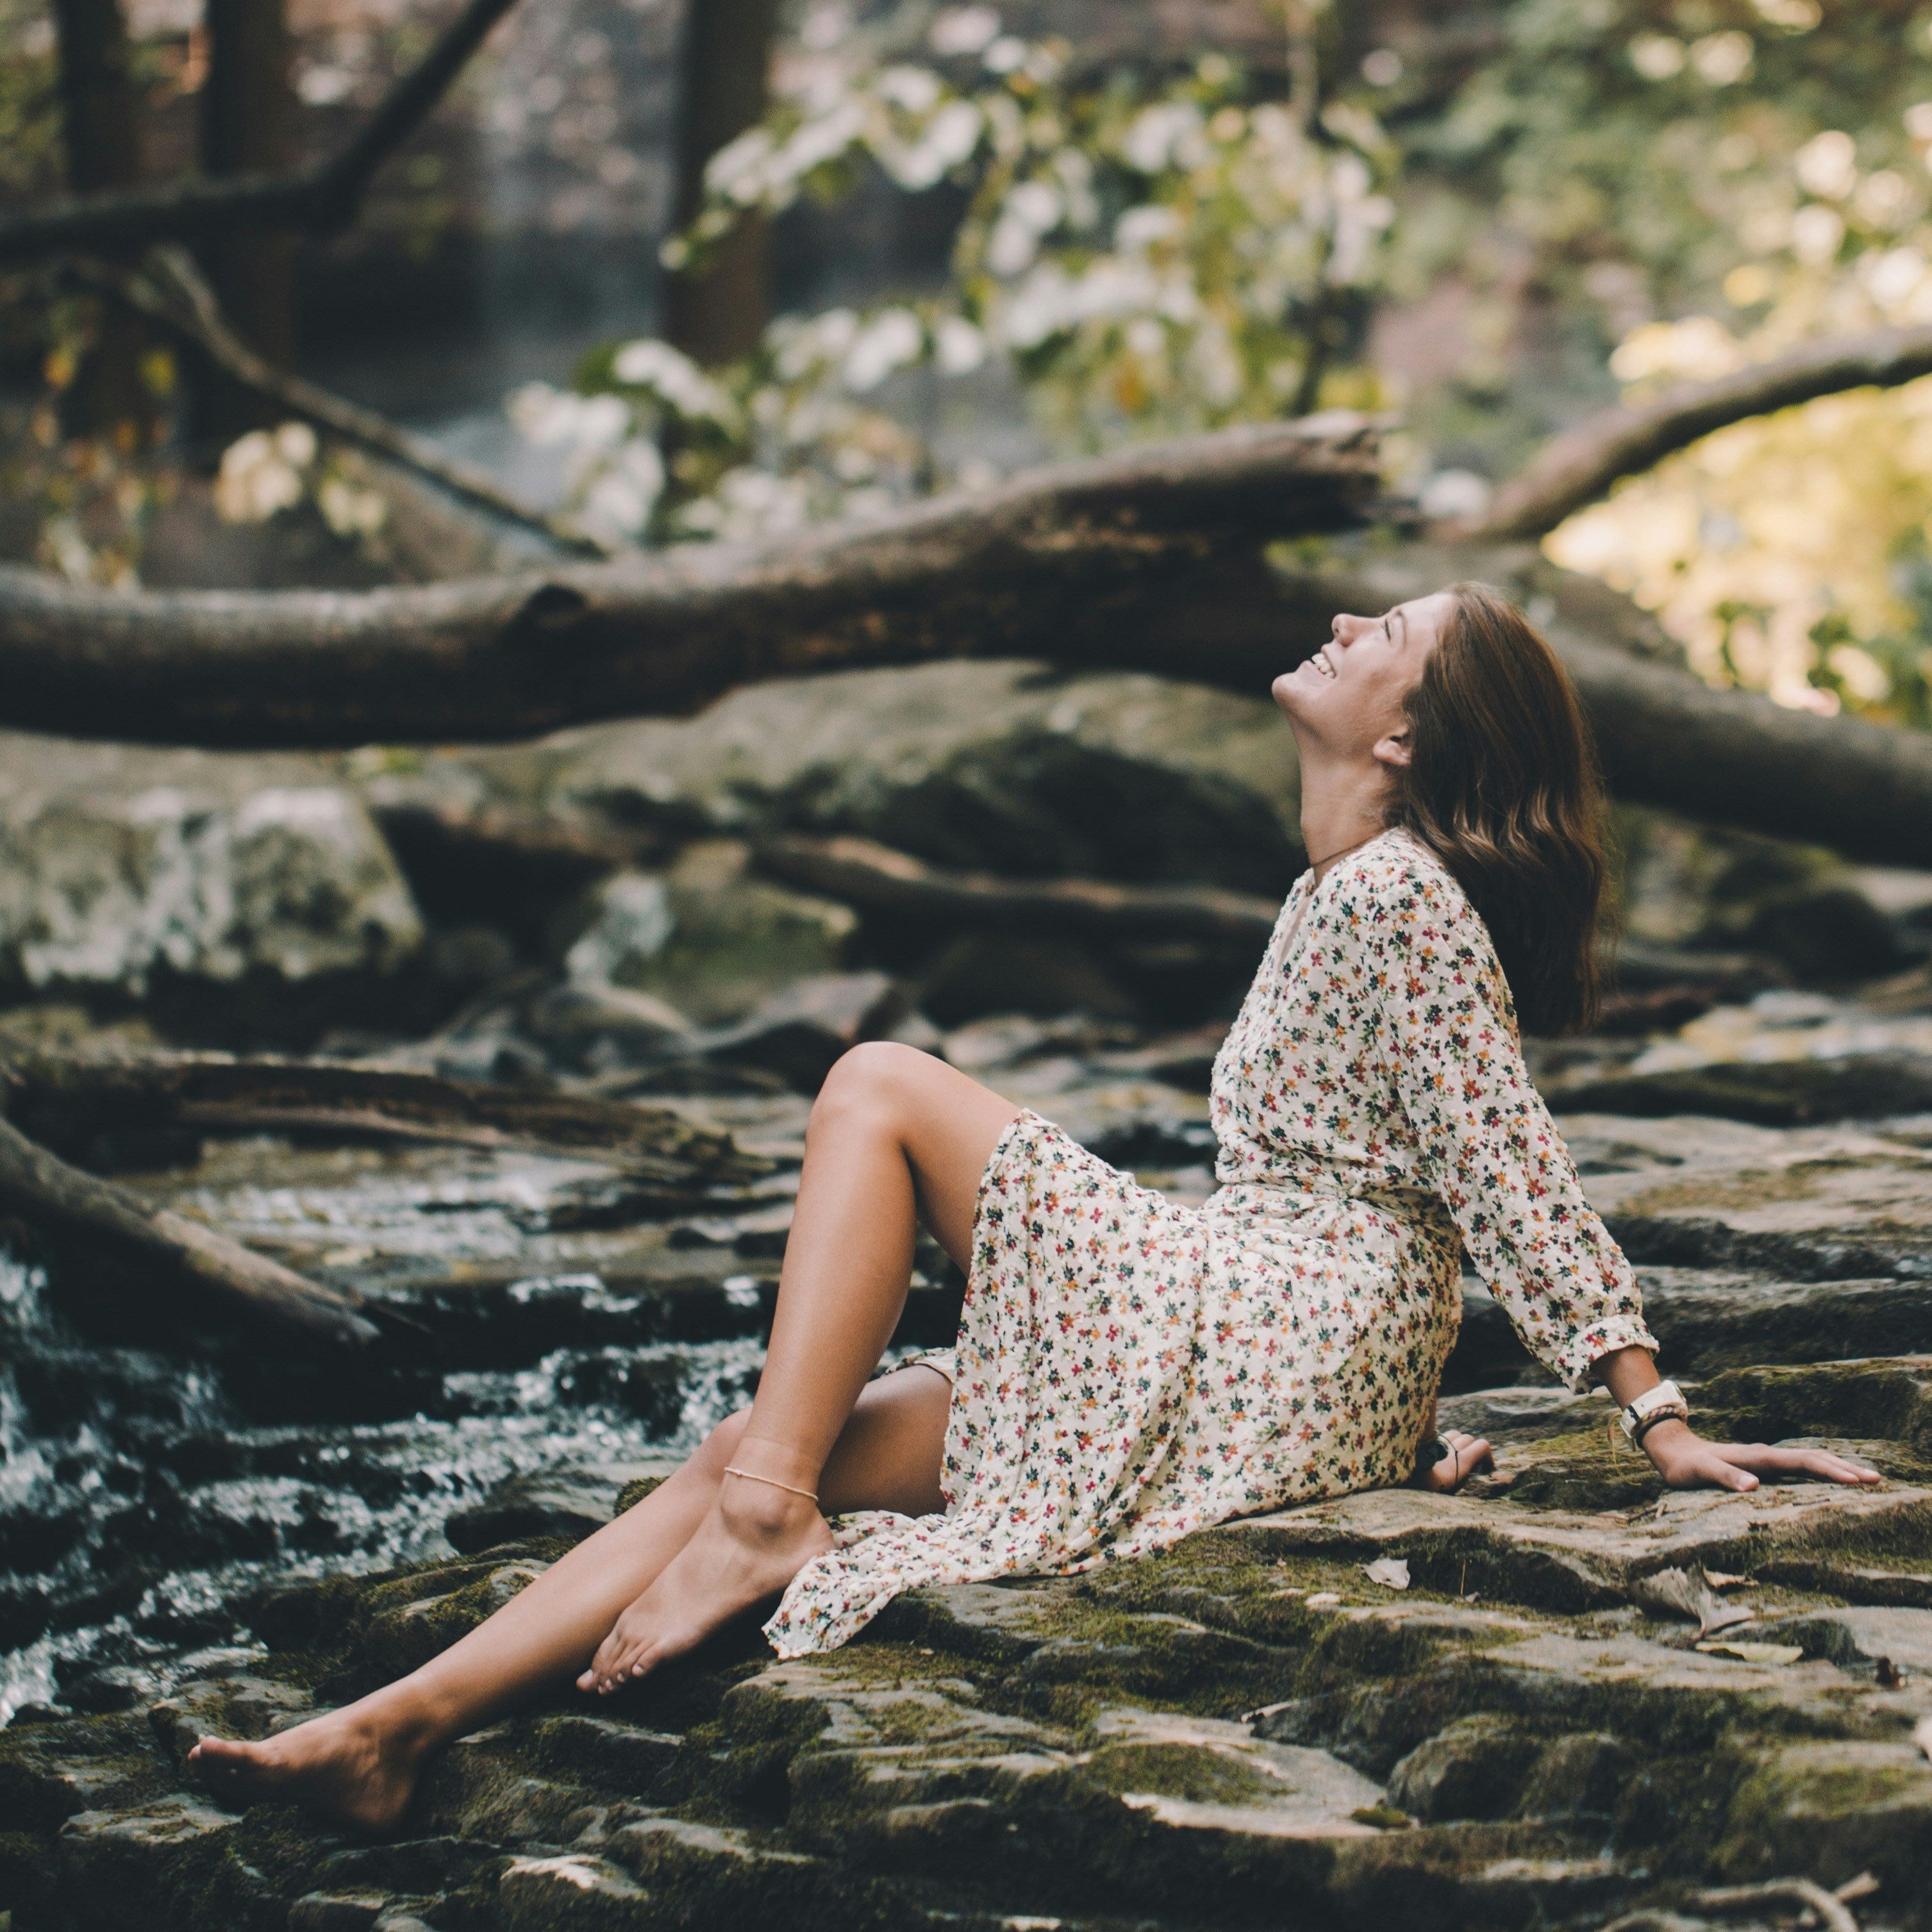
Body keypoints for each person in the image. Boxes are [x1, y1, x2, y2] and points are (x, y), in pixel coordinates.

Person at [191, 582, 1879, 1832]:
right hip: (1275, 1345)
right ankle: (393, 1732)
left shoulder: (1395, 894)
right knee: (764, 1441)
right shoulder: (1345, 890)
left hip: (1280, 1333)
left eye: (1384, 633)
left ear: (1407, 737)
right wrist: (1397, 1418)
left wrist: (1653, 1414)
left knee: (876, 1086)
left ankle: (764, 1523)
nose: (1342, 621)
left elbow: (1503, 1158)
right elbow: (1399, 1181)